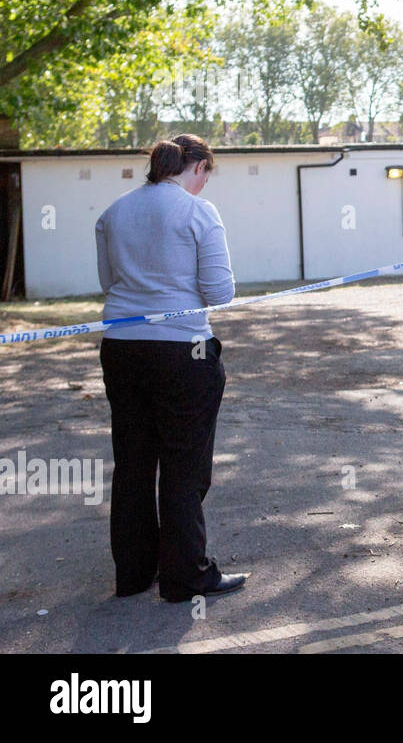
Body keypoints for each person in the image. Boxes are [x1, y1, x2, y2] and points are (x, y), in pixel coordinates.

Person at [95, 133, 248, 602]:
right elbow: (220, 293)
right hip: (183, 351)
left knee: (134, 462)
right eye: (207, 175)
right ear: (198, 166)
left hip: (121, 348)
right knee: (184, 467)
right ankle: (184, 576)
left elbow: (107, 281)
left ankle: (135, 574)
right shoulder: (198, 211)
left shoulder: (113, 211)